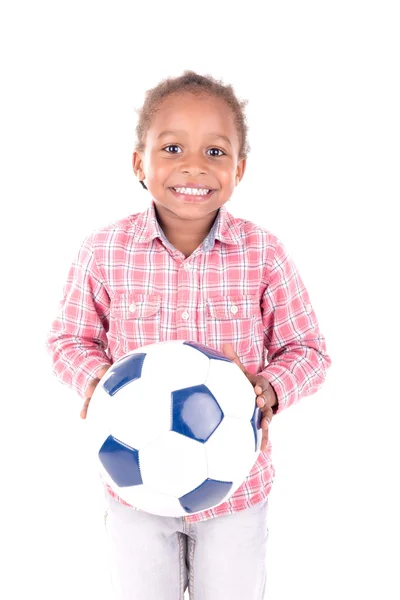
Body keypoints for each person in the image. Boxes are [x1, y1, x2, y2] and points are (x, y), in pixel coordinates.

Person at [47, 70, 331, 600]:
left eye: (216, 152)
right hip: (132, 487)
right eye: (172, 147)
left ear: (240, 168)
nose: (193, 166)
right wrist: (101, 382)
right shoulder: (104, 251)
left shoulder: (262, 253)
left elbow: (309, 351)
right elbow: (68, 338)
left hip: (236, 489)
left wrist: (265, 389)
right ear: (139, 162)